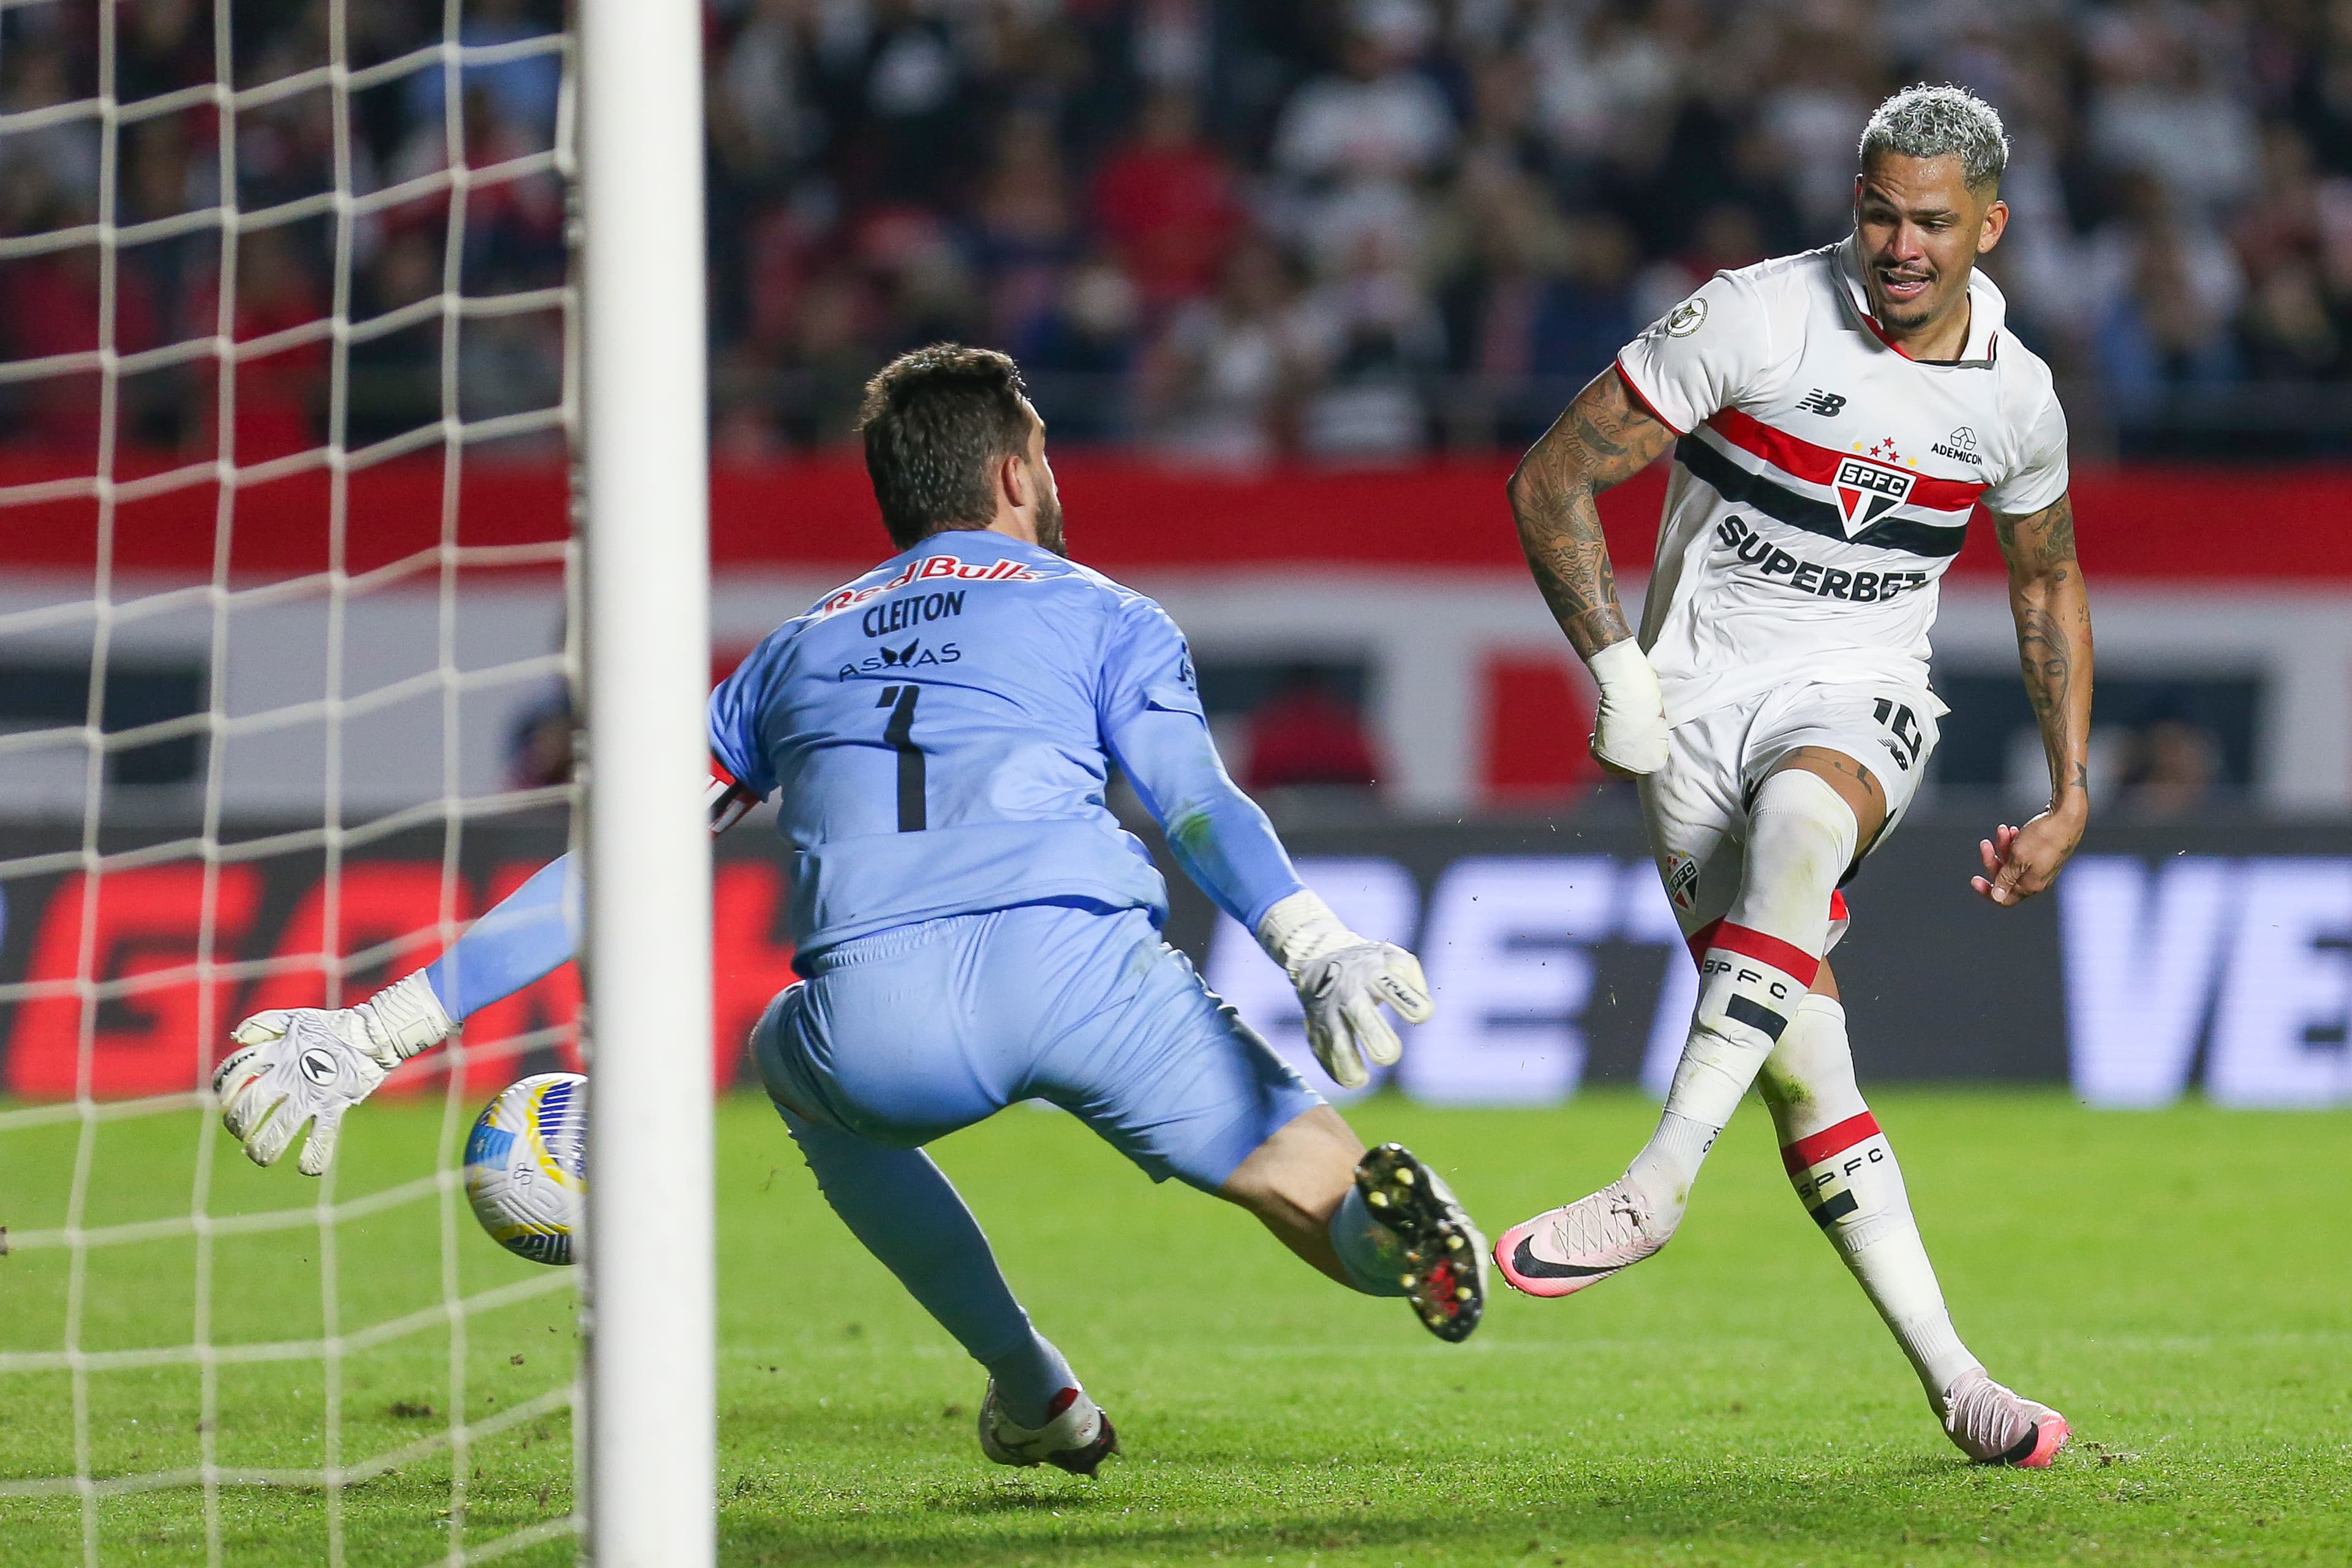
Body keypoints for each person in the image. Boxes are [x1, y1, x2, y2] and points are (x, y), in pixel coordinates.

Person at [208, 344, 1486, 1477]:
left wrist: (380, 1029)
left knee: (789, 1055)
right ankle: (1386, 1239)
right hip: (1087, 971)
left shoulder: (790, 652)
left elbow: (621, 861)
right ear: (1016, 470)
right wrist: (1312, 943)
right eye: (1043, 448)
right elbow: (1195, 802)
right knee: (1306, 1177)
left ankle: (1034, 1387)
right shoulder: (1105, 611)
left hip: (879, 1015)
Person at [1492, 85, 2092, 1469]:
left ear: (1990, 227)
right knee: (1806, 1067)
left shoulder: (2015, 396)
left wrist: (2069, 790)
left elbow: (2047, 579)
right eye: (1879, 213)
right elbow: (1549, 480)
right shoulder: (1754, 317)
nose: (1901, 245)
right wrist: (1618, 670)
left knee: (1809, 818)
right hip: (1694, 710)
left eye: (1932, 222)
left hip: (1860, 687)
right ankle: (1960, 1384)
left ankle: (1655, 1184)